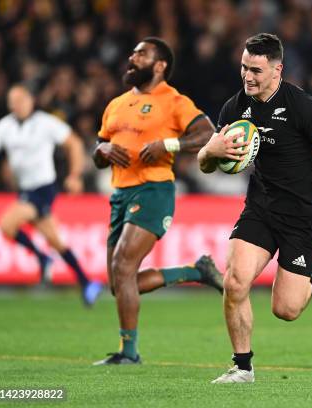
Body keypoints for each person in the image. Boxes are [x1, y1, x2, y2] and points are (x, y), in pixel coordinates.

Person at [197, 33, 312, 383]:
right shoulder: (234, 107)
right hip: (261, 207)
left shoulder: (301, 106)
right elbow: (206, 162)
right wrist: (210, 153)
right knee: (235, 281)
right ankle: (242, 368)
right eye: (244, 68)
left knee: (285, 310)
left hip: (302, 216)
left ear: (277, 70)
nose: (248, 77)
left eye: (256, 70)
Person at [92, 37, 223, 365]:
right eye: (133, 52)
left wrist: (170, 145)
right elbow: (99, 149)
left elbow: (208, 134)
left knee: (123, 266)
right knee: (119, 283)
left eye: (141, 53)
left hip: (154, 190)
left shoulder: (174, 101)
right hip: (120, 193)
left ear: (160, 65)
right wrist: (102, 150)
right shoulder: (117, 104)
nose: (132, 58)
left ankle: (129, 353)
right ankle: (195, 271)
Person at [0, 84, 103, 306]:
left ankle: (43, 258)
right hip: (25, 189)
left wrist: (75, 175)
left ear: (31, 100)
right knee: (55, 240)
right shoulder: (5, 126)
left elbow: (74, 143)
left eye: (21, 100)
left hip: (43, 188)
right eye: (12, 101)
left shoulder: (45, 122)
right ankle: (87, 282)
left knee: (7, 225)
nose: (17, 105)